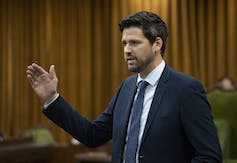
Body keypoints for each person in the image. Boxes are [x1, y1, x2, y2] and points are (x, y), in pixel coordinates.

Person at [26, 11, 222, 163]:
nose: (127, 50)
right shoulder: (126, 88)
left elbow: (209, 157)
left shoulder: (186, 89)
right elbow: (92, 135)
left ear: (157, 44)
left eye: (134, 43)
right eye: (124, 43)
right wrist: (52, 98)